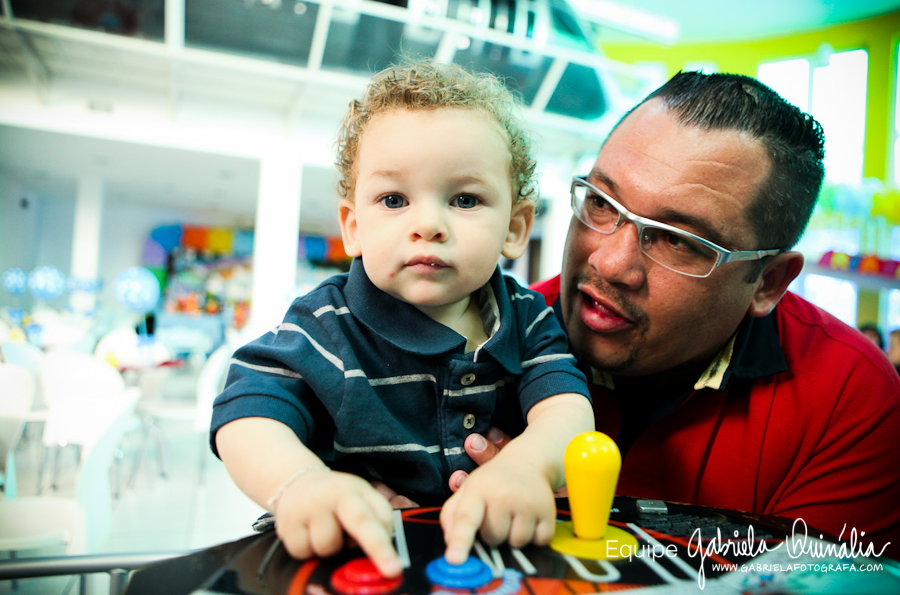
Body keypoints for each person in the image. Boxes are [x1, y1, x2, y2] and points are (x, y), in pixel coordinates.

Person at [445, 71, 900, 559]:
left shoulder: (850, 399)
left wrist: (572, 523)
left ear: (768, 281)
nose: (610, 263)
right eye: (601, 203)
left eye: (677, 240)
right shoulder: (473, 338)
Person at [210, 59, 594, 578]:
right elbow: (247, 414)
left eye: (464, 199)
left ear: (515, 228)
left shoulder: (526, 319)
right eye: (394, 199)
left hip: (480, 561)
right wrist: (300, 483)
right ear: (353, 227)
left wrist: (527, 467)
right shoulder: (327, 325)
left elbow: (567, 410)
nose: (428, 224)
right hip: (345, 556)